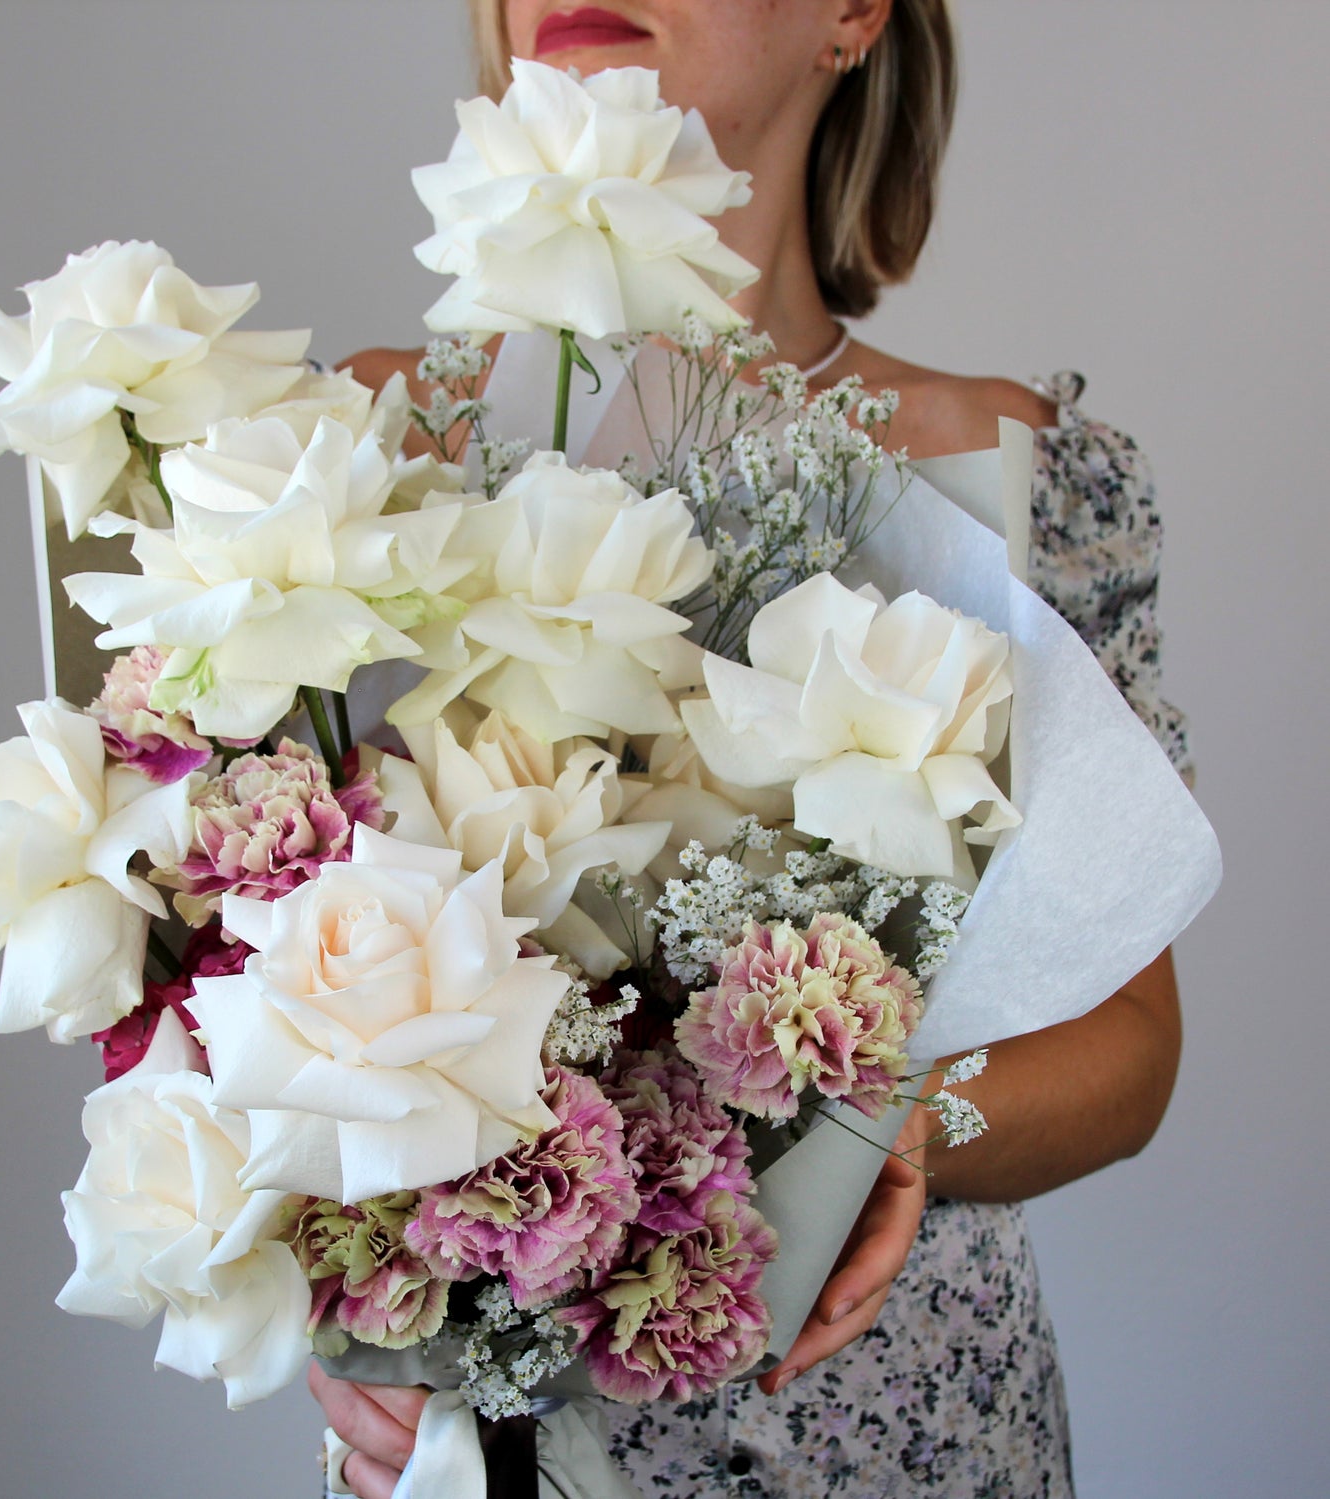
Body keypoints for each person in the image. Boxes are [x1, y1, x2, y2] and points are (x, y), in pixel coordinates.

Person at [313, 2, 1190, 1494]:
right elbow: (232, 954)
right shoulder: (375, 443)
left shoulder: (1010, 465)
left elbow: (1127, 1048)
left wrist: (904, 1118)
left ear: (853, 15)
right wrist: (308, 1260)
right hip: (487, 1424)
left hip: (893, 1424)